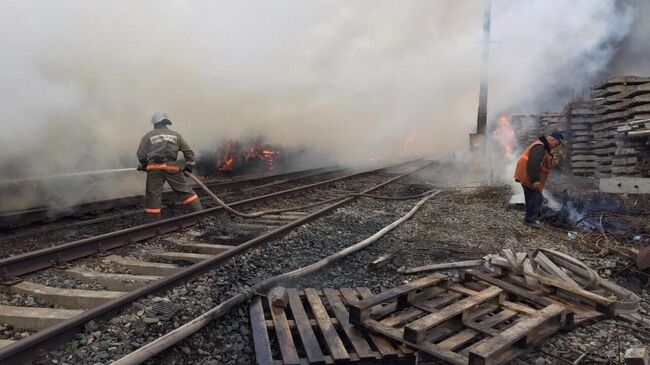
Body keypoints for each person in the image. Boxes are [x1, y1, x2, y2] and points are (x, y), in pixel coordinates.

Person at [136, 112, 202, 221]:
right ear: (166, 123)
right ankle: (199, 214)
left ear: (155, 124)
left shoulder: (148, 136)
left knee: (153, 196)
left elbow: (141, 154)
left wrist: (144, 164)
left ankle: (152, 224)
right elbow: (189, 152)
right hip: (172, 168)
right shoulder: (176, 135)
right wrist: (189, 166)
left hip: (155, 170)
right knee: (185, 191)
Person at [513, 131, 565, 228]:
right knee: (533, 199)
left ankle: (535, 217)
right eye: (557, 143)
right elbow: (533, 164)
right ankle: (529, 221)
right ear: (553, 140)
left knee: (538, 198)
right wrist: (535, 180)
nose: (557, 146)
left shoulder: (543, 147)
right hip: (529, 177)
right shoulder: (540, 147)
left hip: (529, 176)